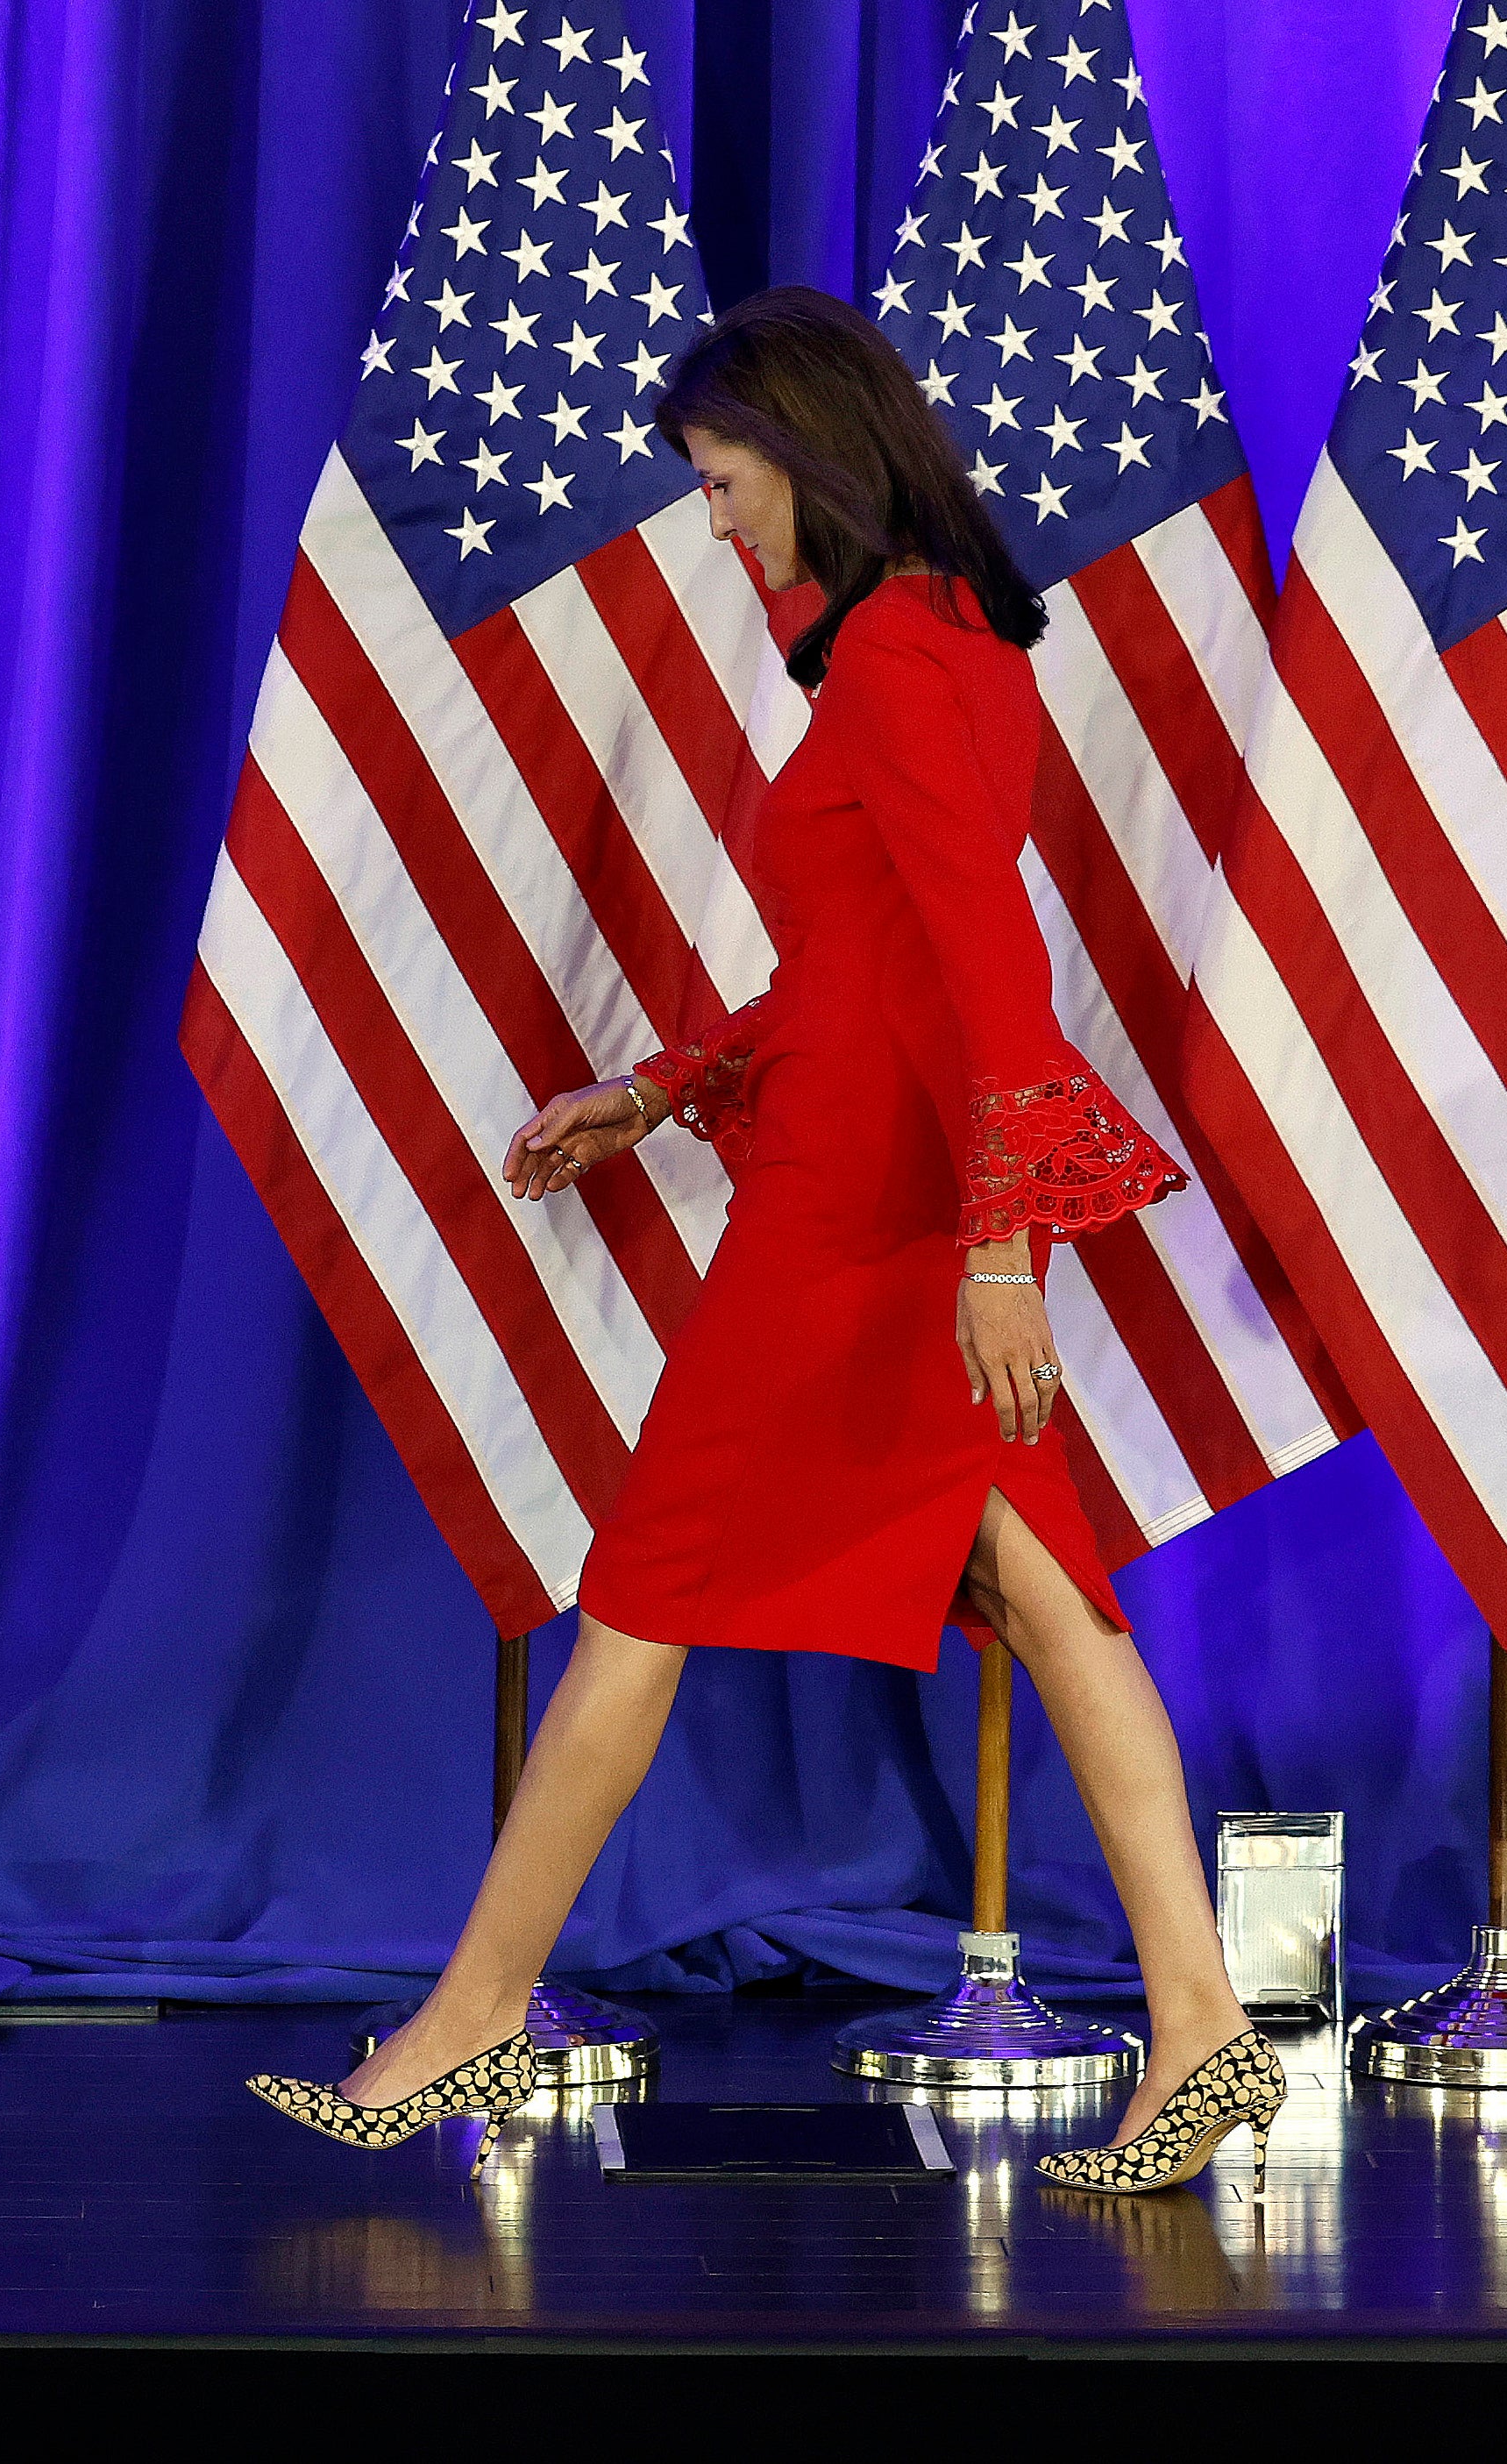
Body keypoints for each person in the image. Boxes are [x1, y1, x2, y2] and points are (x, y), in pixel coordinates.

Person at [245, 288, 1283, 2197]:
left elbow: (991, 969)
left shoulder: (899, 655)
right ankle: (1204, 2028)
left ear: (809, 455)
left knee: (644, 1590)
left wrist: (990, 1245)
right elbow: (865, 967)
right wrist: (667, 1083)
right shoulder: (956, 639)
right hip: (888, 1193)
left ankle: (474, 2012)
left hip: (874, 1231)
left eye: (726, 485)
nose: (718, 527)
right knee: (1047, 1583)